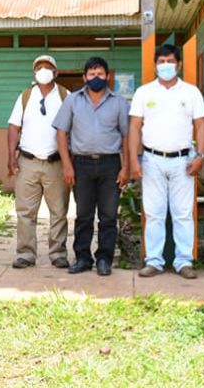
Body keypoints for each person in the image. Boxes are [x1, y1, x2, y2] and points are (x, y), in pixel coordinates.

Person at [129, 44, 204, 279]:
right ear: (155, 65)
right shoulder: (144, 92)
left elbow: (201, 124)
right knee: (153, 213)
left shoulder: (191, 92)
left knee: (183, 213)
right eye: (161, 61)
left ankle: (184, 262)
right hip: (152, 159)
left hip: (183, 160)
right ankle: (154, 261)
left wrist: (200, 156)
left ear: (179, 64)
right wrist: (134, 159)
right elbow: (134, 126)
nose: (166, 66)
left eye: (170, 61)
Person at [53, 57, 129, 277]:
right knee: (84, 215)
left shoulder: (119, 103)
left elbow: (126, 136)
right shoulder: (73, 101)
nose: (96, 78)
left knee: (108, 216)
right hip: (82, 164)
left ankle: (104, 258)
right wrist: (67, 165)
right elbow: (61, 132)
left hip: (110, 164)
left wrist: (125, 168)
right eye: (92, 74)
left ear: (108, 76)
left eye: (101, 74)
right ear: (84, 77)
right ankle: (83, 258)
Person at [7, 55, 70, 269]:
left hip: (56, 163)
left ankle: (58, 253)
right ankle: (25, 254)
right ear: (34, 73)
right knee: (25, 211)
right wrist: (10, 156)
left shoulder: (65, 96)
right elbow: (14, 127)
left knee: (59, 212)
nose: (43, 70)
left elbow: (73, 127)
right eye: (39, 68)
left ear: (56, 72)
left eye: (48, 67)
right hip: (28, 161)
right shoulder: (25, 96)